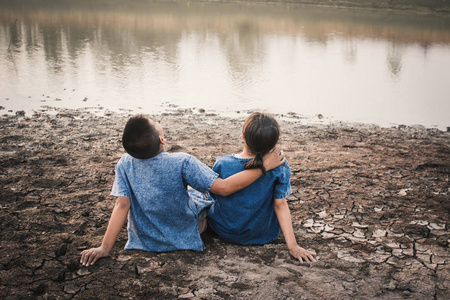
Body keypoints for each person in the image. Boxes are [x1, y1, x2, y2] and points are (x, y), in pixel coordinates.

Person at [80, 114, 284, 266]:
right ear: (162, 140)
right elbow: (223, 188)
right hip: (184, 233)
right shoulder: (182, 161)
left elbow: (122, 205)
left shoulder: (124, 163)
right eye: (156, 124)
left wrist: (105, 247)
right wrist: (263, 166)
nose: (157, 122)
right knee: (207, 200)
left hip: (146, 238)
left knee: (198, 194)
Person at [207, 112, 317, 263]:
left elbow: (215, 195)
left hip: (225, 231)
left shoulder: (222, 163)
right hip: (263, 234)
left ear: (243, 136)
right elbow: (281, 205)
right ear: (273, 143)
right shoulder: (279, 166)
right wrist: (293, 246)